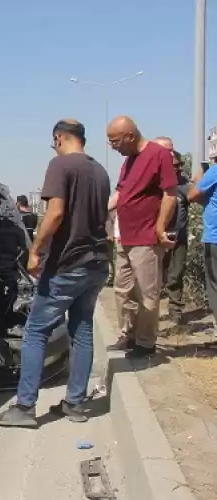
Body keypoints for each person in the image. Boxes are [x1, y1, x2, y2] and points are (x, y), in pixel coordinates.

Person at [0, 119, 110, 427]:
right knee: (82, 331)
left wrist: (35, 250)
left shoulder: (61, 166)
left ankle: (25, 408)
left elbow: (54, 214)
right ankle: (75, 403)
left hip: (67, 265)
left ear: (59, 138)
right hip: (96, 264)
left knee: (35, 332)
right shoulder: (100, 171)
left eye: (53, 143)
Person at [106, 116, 178, 358]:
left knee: (147, 293)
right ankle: (128, 335)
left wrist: (159, 228)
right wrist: (97, 212)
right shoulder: (128, 162)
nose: (112, 146)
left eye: (114, 141)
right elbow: (119, 193)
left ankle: (145, 343)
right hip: (124, 236)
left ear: (130, 136)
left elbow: (170, 194)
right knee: (122, 289)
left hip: (146, 237)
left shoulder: (159, 154)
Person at [188, 161, 217, 336]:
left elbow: (192, 195)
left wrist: (198, 178)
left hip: (215, 238)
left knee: (214, 286)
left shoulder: (214, 172)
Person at [161, 150, 190, 324]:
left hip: (179, 237)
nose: (177, 170)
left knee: (176, 274)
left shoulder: (186, 185)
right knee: (155, 275)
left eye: (179, 166)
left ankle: (175, 310)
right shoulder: (159, 185)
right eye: (173, 166)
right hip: (159, 236)